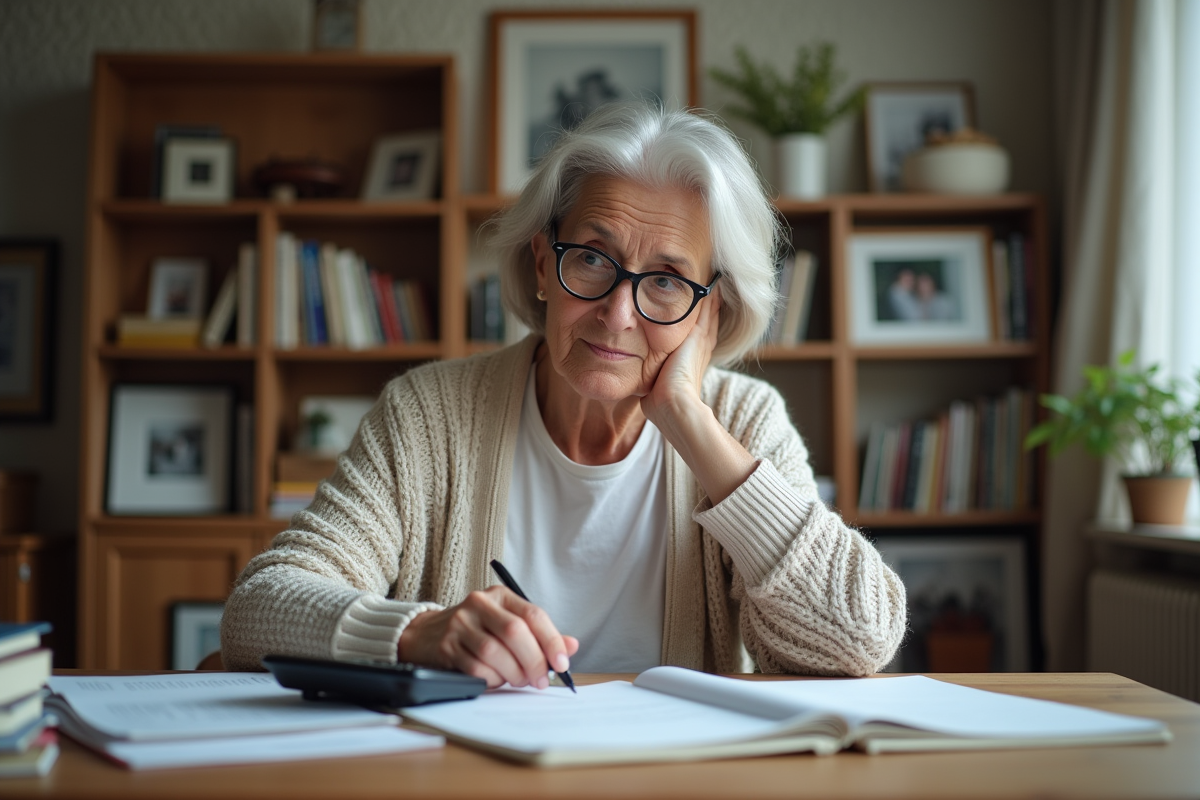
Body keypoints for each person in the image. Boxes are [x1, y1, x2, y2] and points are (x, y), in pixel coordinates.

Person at [221, 104, 906, 687]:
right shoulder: (428, 414)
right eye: (592, 259)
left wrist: (690, 421)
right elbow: (258, 608)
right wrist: (416, 634)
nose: (618, 314)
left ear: (710, 309)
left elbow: (859, 641)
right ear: (544, 264)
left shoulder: (744, 421)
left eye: (667, 281)